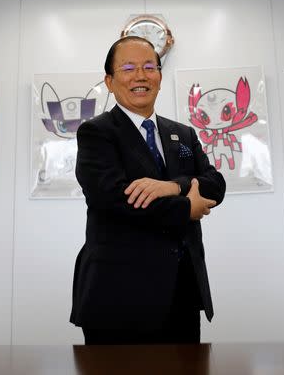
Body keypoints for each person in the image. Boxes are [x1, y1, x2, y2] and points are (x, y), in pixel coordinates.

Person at [70, 36, 225, 344]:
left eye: (148, 67)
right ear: (110, 81)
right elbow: (115, 199)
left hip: (182, 292)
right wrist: (187, 207)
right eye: (128, 68)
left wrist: (172, 186)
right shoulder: (96, 133)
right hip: (119, 298)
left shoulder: (182, 134)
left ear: (159, 77)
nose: (140, 76)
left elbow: (214, 183)